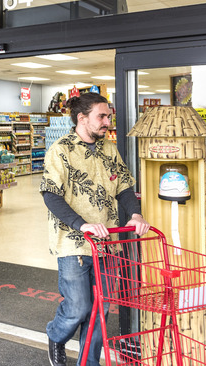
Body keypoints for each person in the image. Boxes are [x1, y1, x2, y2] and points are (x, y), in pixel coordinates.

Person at [40, 92, 149, 366]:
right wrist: (82, 224)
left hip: (108, 242)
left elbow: (124, 185)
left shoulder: (109, 148)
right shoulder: (60, 150)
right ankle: (55, 334)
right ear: (82, 118)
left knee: (101, 310)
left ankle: (88, 363)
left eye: (109, 117)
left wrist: (135, 214)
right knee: (78, 308)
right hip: (74, 242)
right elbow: (51, 195)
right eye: (102, 116)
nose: (107, 122)